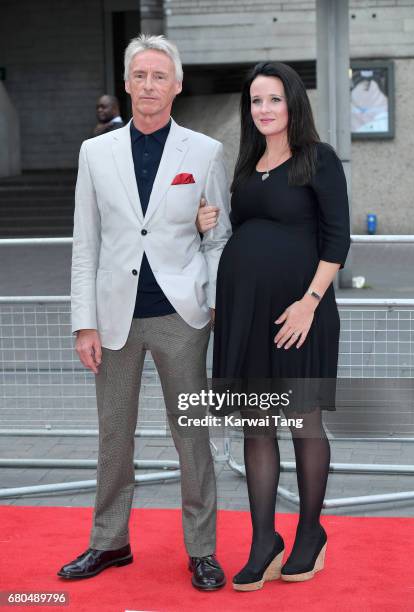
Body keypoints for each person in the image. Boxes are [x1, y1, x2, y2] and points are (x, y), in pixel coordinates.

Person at [58, 34, 231, 590]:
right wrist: (83, 321)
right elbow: (86, 244)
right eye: (140, 76)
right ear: (127, 83)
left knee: (191, 436)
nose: (150, 85)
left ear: (177, 85)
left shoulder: (204, 151)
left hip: (183, 317)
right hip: (113, 320)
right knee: (114, 435)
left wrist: (212, 298)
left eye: (160, 76)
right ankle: (109, 542)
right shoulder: (95, 152)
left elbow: (219, 238)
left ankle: (201, 549)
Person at [197, 61, 350, 590]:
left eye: (274, 100)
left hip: (300, 315)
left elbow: (337, 239)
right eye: (256, 101)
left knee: (303, 421)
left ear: (293, 105)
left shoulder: (318, 160)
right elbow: (242, 234)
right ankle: (265, 540)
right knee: (256, 424)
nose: (264, 109)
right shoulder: (246, 165)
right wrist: (207, 224)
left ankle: (310, 533)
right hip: (246, 315)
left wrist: (310, 301)